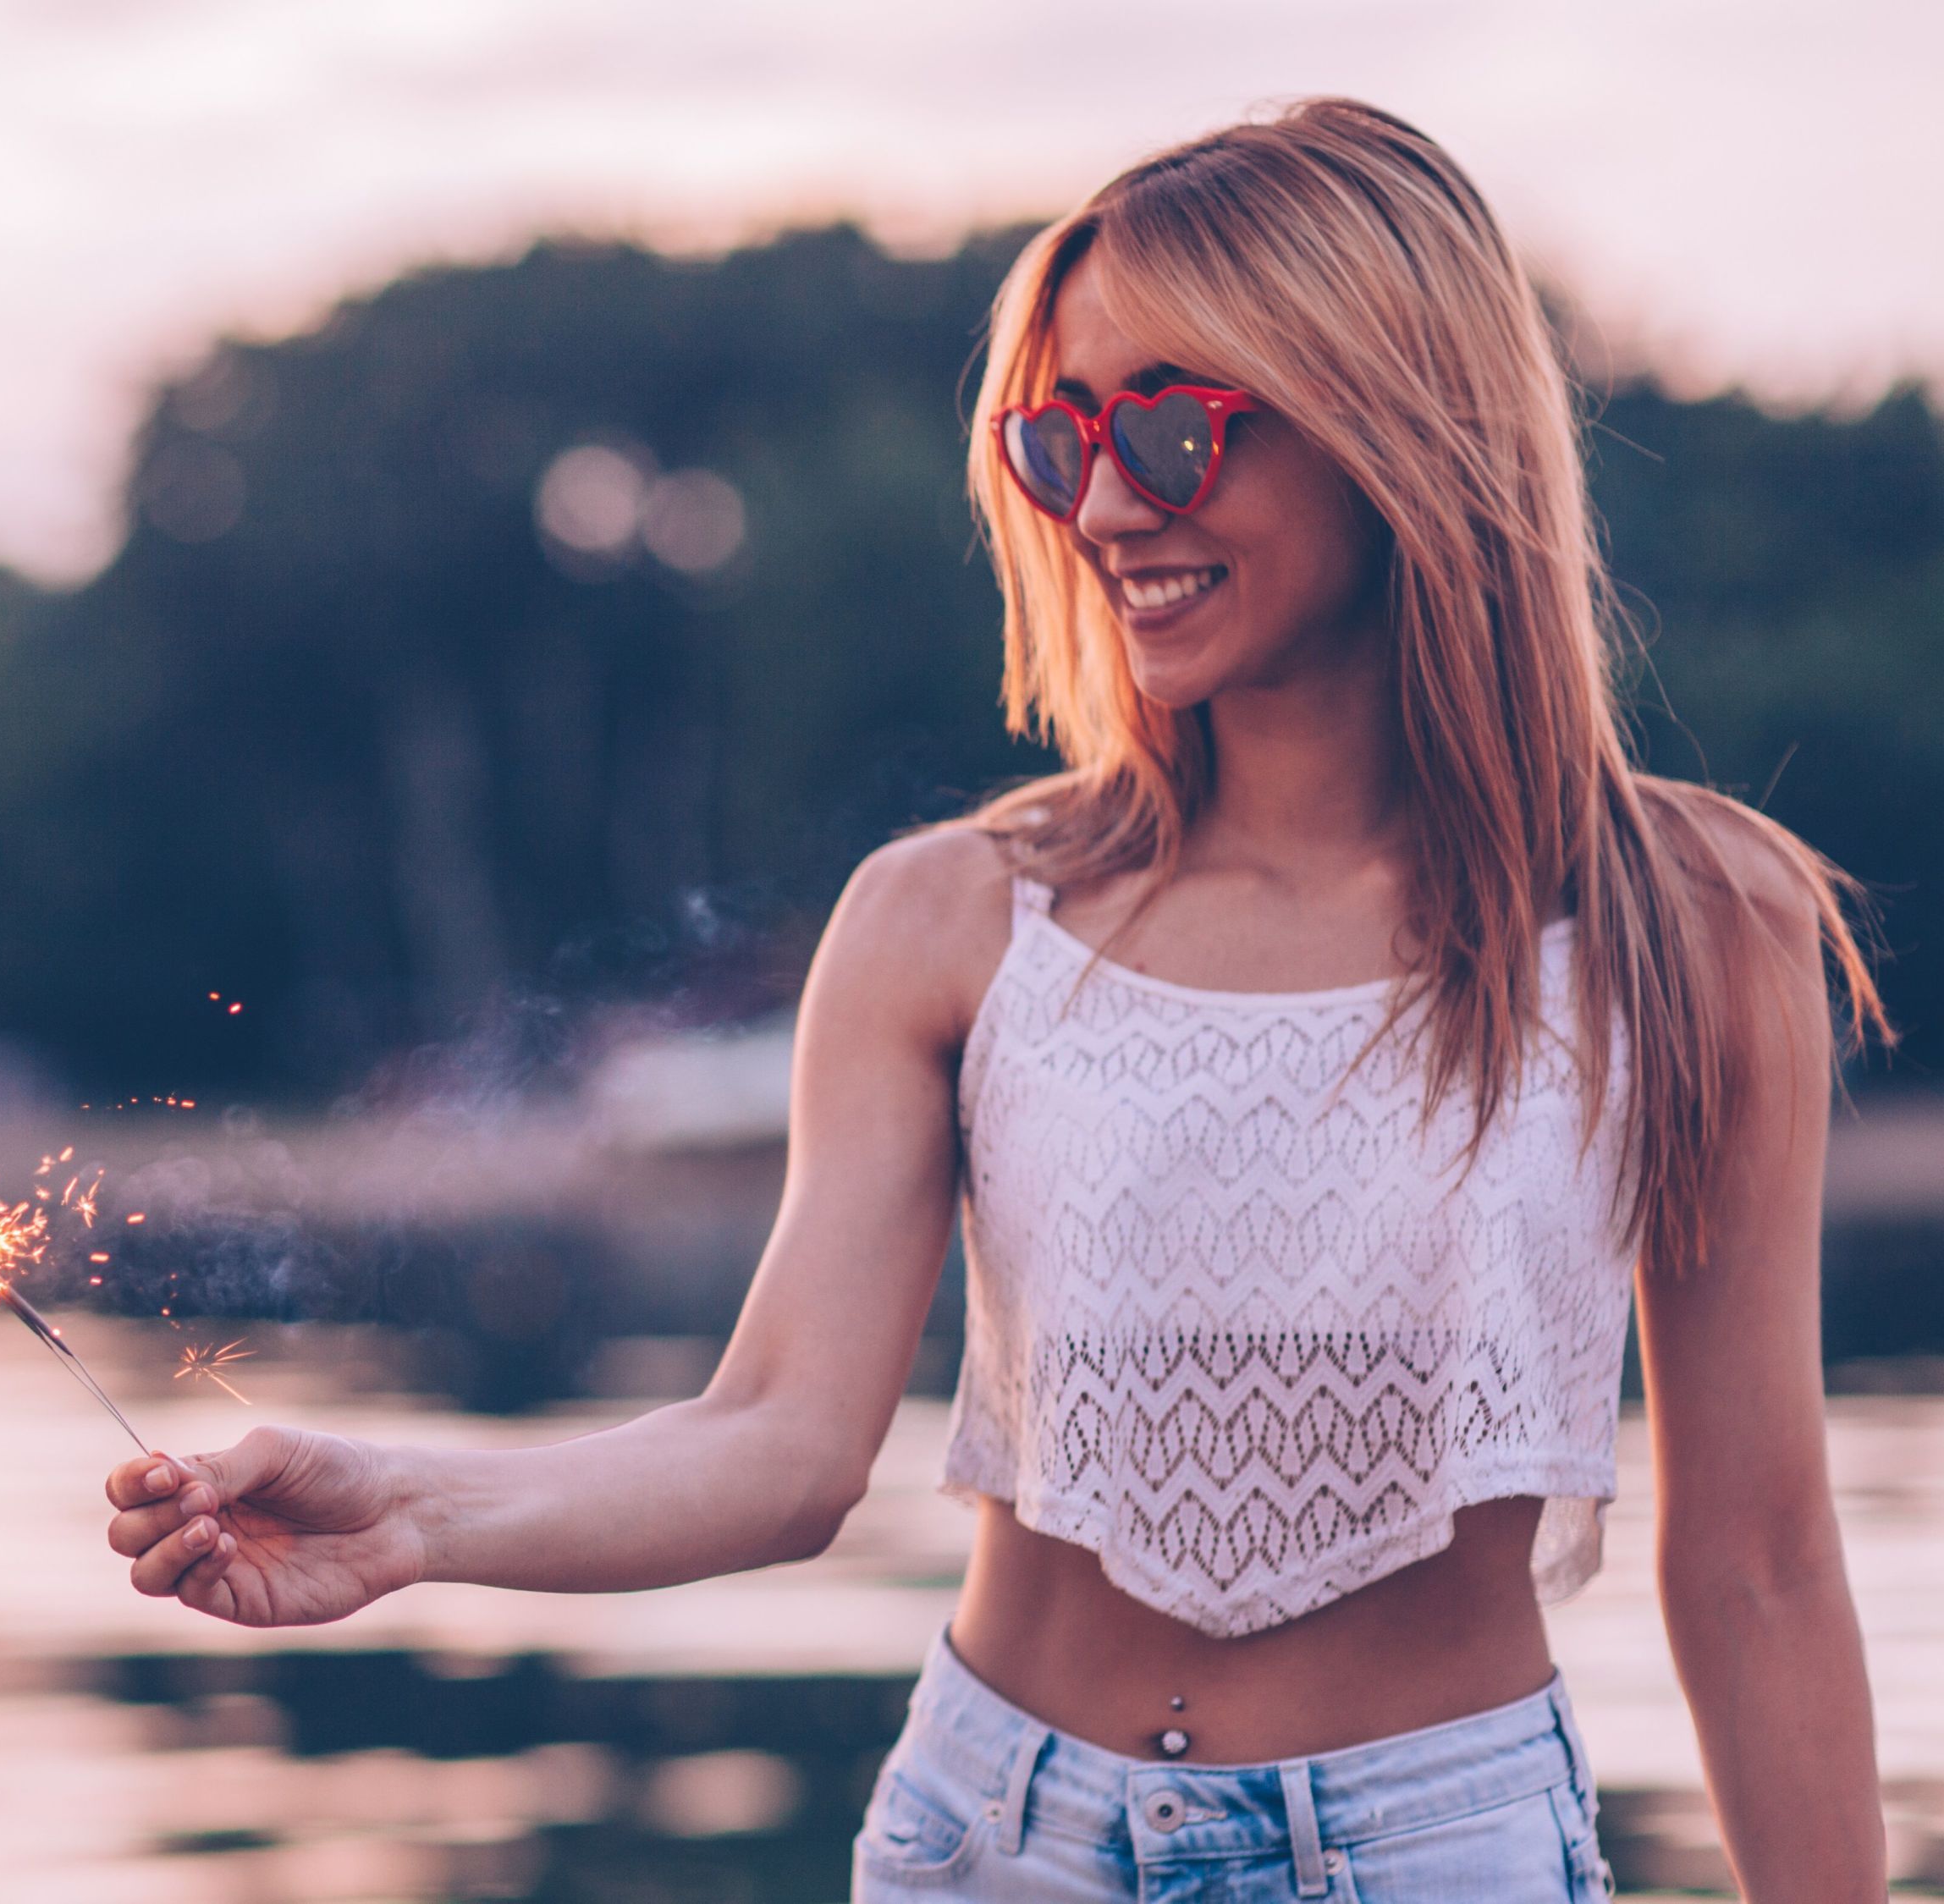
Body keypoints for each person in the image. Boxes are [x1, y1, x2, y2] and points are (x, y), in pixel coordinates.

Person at [104, 99, 1886, 1899]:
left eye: (1177, 432)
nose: (1107, 507)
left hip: (1442, 1853)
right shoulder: (951, 921)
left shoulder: (1690, 923)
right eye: (1061, 438)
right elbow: (777, 1446)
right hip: (993, 1847)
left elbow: (1755, 1566)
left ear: (1396, 429)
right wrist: (409, 1511)